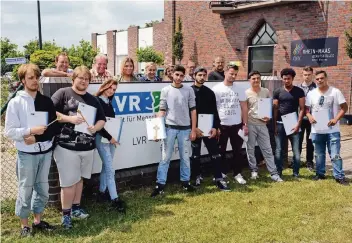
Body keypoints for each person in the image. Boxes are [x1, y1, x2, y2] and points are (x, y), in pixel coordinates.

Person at [5, 64, 58, 237]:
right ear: (22, 80)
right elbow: (9, 132)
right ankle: (24, 225)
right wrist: (29, 131)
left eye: (36, 77)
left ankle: (38, 220)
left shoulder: (46, 101)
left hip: (45, 152)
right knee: (25, 189)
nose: (35, 81)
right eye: (30, 78)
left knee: (42, 189)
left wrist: (37, 137)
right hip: (26, 154)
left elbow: (53, 127)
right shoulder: (15, 103)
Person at [51, 66, 106, 229]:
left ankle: (76, 208)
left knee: (80, 179)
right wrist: (70, 119)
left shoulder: (93, 99)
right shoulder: (63, 93)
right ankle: (66, 215)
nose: (83, 81)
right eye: (80, 78)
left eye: (87, 79)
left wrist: (95, 128)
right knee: (68, 182)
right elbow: (50, 112)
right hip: (66, 147)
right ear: (73, 78)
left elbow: (102, 119)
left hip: (87, 147)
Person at [151, 65, 197, 197]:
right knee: (165, 157)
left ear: (184, 76)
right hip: (169, 128)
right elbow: (162, 110)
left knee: (185, 157)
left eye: (182, 75)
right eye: (177, 75)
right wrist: (156, 131)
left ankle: (186, 182)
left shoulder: (189, 90)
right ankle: (160, 184)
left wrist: (193, 130)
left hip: (185, 129)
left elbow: (193, 111)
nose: (179, 78)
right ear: (172, 75)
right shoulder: (165, 90)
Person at [305, 71, 349, 185]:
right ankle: (320, 174)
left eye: (322, 78)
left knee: (335, 154)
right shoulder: (311, 93)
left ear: (326, 78)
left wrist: (335, 119)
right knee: (319, 154)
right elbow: (306, 109)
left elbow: (344, 107)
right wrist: (309, 116)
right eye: (318, 79)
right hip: (317, 130)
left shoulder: (335, 92)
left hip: (332, 130)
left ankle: (339, 176)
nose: (320, 80)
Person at [190, 67, 230, 191]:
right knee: (195, 155)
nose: (202, 77)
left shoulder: (209, 92)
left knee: (215, 154)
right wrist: (193, 128)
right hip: (195, 128)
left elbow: (214, 111)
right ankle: (197, 176)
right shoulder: (189, 91)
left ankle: (218, 178)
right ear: (194, 76)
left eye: (204, 75)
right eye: (200, 75)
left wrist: (215, 127)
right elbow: (187, 112)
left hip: (208, 127)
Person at [212, 64, 248, 185]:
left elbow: (244, 107)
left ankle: (237, 173)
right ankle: (222, 173)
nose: (233, 76)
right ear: (226, 73)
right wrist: (216, 126)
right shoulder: (216, 89)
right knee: (221, 151)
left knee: (237, 151)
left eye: (235, 74)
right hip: (222, 125)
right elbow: (214, 109)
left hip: (237, 125)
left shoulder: (240, 89)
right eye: (231, 73)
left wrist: (245, 124)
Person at [245, 71, 283, 182]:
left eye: (258, 78)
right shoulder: (246, 93)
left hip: (263, 125)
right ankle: (254, 170)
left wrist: (268, 117)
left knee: (267, 149)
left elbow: (267, 106)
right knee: (250, 149)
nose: (256, 80)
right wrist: (245, 125)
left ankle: (273, 173)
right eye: (253, 78)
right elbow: (245, 110)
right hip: (251, 124)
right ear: (249, 80)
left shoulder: (265, 91)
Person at [95, 79, 126, 211]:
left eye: (114, 89)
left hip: (111, 139)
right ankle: (115, 198)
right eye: (109, 88)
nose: (111, 91)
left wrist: (114, 138)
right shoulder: (97, 101)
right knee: (110, 169)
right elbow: (98, 126)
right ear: (104, 87)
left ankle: (102, 192)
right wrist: (110, 138)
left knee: (106, 166)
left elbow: (111, 122)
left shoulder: (109, 101)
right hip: (102, 138)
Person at [273, 68, 305, 178]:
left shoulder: (299, 91)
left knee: (296, 150)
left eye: (289, 79)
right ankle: (278, 172)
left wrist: (298, 124)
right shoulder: (277, 91)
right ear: (282, 79)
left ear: (293, 79)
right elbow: (275, 109)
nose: (287, 81)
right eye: (285, 79)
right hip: (280, 123)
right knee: (278, 150)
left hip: (293, 123)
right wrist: (275, 126)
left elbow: (302, 109)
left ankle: (296, 173)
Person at [299, 66, 316, 171]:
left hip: (312, 119)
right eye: (305, 74)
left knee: (310, 141)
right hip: (300, 119)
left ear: (312, 75)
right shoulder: (297, 88)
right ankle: (297, 160)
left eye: (309, 74)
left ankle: (309, 162)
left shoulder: (317, 88)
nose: (307, 76)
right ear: (302, 75)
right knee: (298, 140)